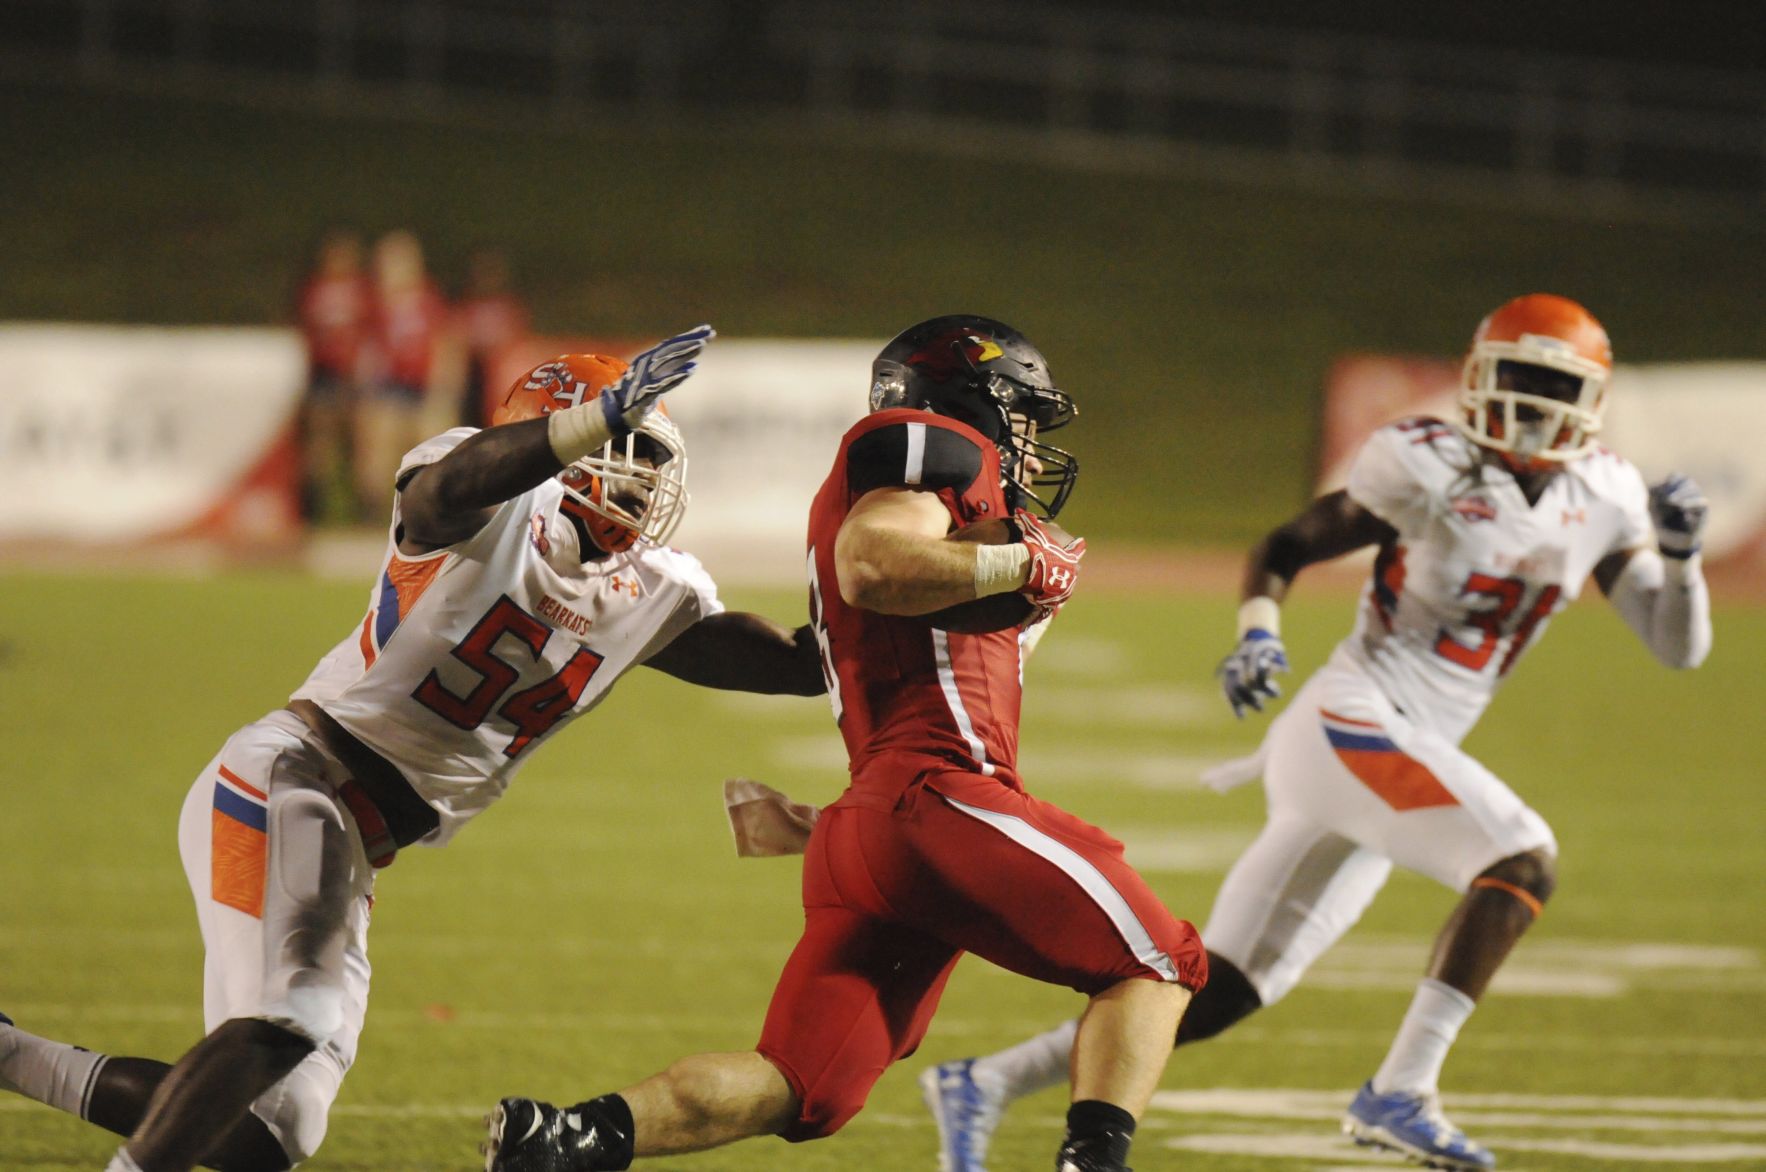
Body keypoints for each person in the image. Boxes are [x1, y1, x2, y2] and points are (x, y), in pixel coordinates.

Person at [0, 325, 831, 1172]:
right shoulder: (484, 505)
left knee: (273, 1133)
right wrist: (587, 426)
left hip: (356, 839)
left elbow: (806, 666)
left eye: (652, 454)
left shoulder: (653, 593)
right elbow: (447, 491)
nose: (644, 474)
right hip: (295, 778)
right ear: (557, 433)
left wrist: (912, 590)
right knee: (296, 1015)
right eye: (623, 441)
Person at [914, 293, 1713, 1172]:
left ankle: (982, 1080)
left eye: (1547, 381)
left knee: (1223, 990)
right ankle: (1401, 1092)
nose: (1526, 396)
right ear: (1478, 375)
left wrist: (1680, 563)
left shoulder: (1605, 490)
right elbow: (1288, 545)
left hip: (1397, 747)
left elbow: (1679, 647)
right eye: (1512, 373)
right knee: (1520, 859)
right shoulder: (1428, 458)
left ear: (1593, 396)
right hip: (1354, 724)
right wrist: (1260, 628)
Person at [482, 314, 1209, 1172]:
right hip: (939, 799)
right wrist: (1018, 567)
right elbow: (871, 563)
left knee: (799, 1084)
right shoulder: (926, 444)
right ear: (967, 398)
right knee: (1161, 960)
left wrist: (826, 825)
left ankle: (568, 1139)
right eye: (1017, 413)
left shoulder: (949, 505)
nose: (1024, 440)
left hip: (874, 826)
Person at [356, 229, 451, 520]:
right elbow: (366, 348)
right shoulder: (374, 302)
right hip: (388, 387)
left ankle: (435, 514)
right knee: (378, 453)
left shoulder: (427, 298)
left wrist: (441, 388)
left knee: (434, 450)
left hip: (421, 386)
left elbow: (444, 342)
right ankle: (377, 516)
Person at [293, 229, 371, 522]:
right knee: (319, 446)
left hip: (356, 379)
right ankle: (316, 510)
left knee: (358, 445)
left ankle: (361, 510)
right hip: (323, 376)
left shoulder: (364, 289)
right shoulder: (313, 288)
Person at [452, 247, 533, 430]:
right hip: (471, 378)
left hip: (496, 379)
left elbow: (514, 347)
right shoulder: (467, 307)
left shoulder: (508, 307)